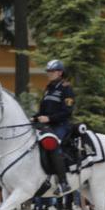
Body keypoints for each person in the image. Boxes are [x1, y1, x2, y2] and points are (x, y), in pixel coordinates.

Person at [32, 59, 74, 196]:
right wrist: (34, 117)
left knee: (52, 144)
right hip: (47, 125)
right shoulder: (48, 88)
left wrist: (49, 118)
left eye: (52, 71)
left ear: (60, 72)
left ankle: (63, 182)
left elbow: (67, 111)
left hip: (61, 125)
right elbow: (42, 110)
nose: (49, 74)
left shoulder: (66, 88)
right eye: (48, 71)